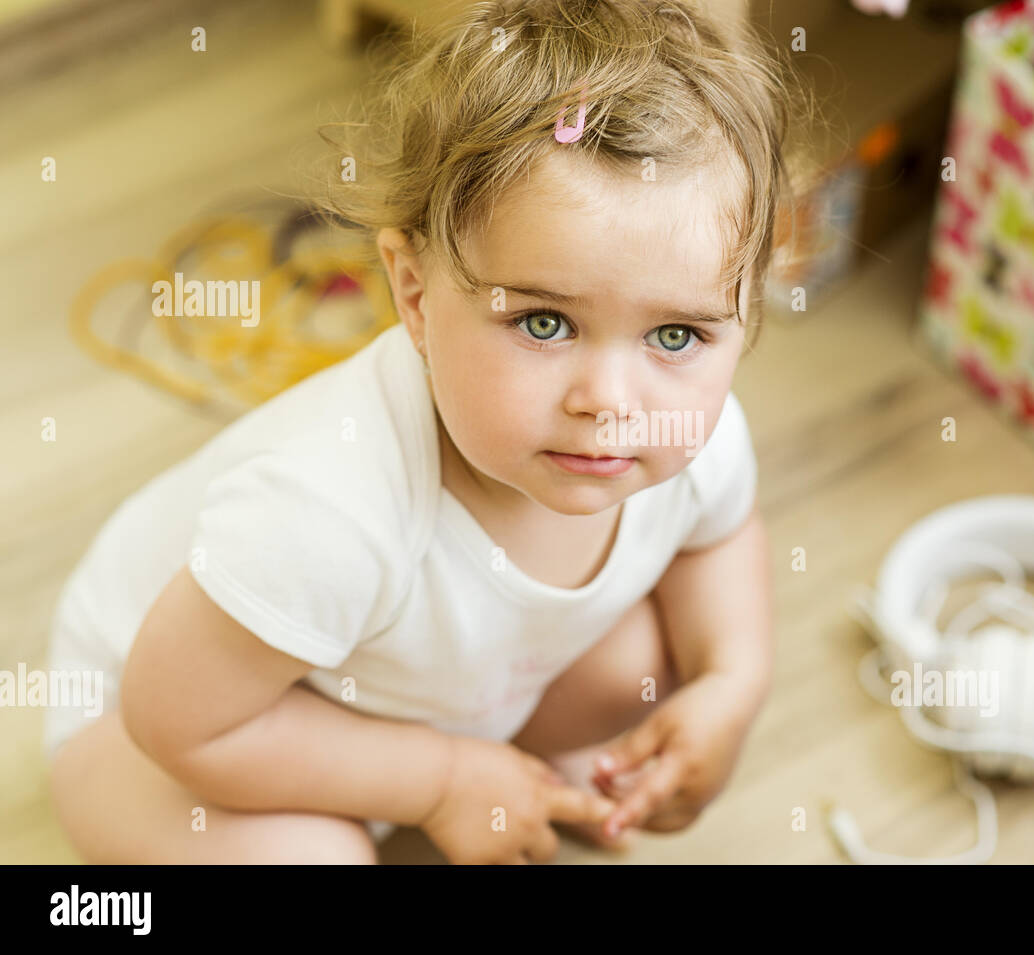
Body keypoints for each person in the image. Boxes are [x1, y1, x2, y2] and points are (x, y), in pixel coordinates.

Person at [45, 0, 804, 864]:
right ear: (412, 292)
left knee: (648, 657)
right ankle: (438, 781)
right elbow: (176, 719)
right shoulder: (327, 508)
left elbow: (719, 538)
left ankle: (470, 764)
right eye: (544, 323)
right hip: (172, 731)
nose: (611, 401)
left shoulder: (681, 434)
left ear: (742, 317)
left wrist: (731, 683)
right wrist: (439, 779)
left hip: (393, 686)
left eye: (676, 336)